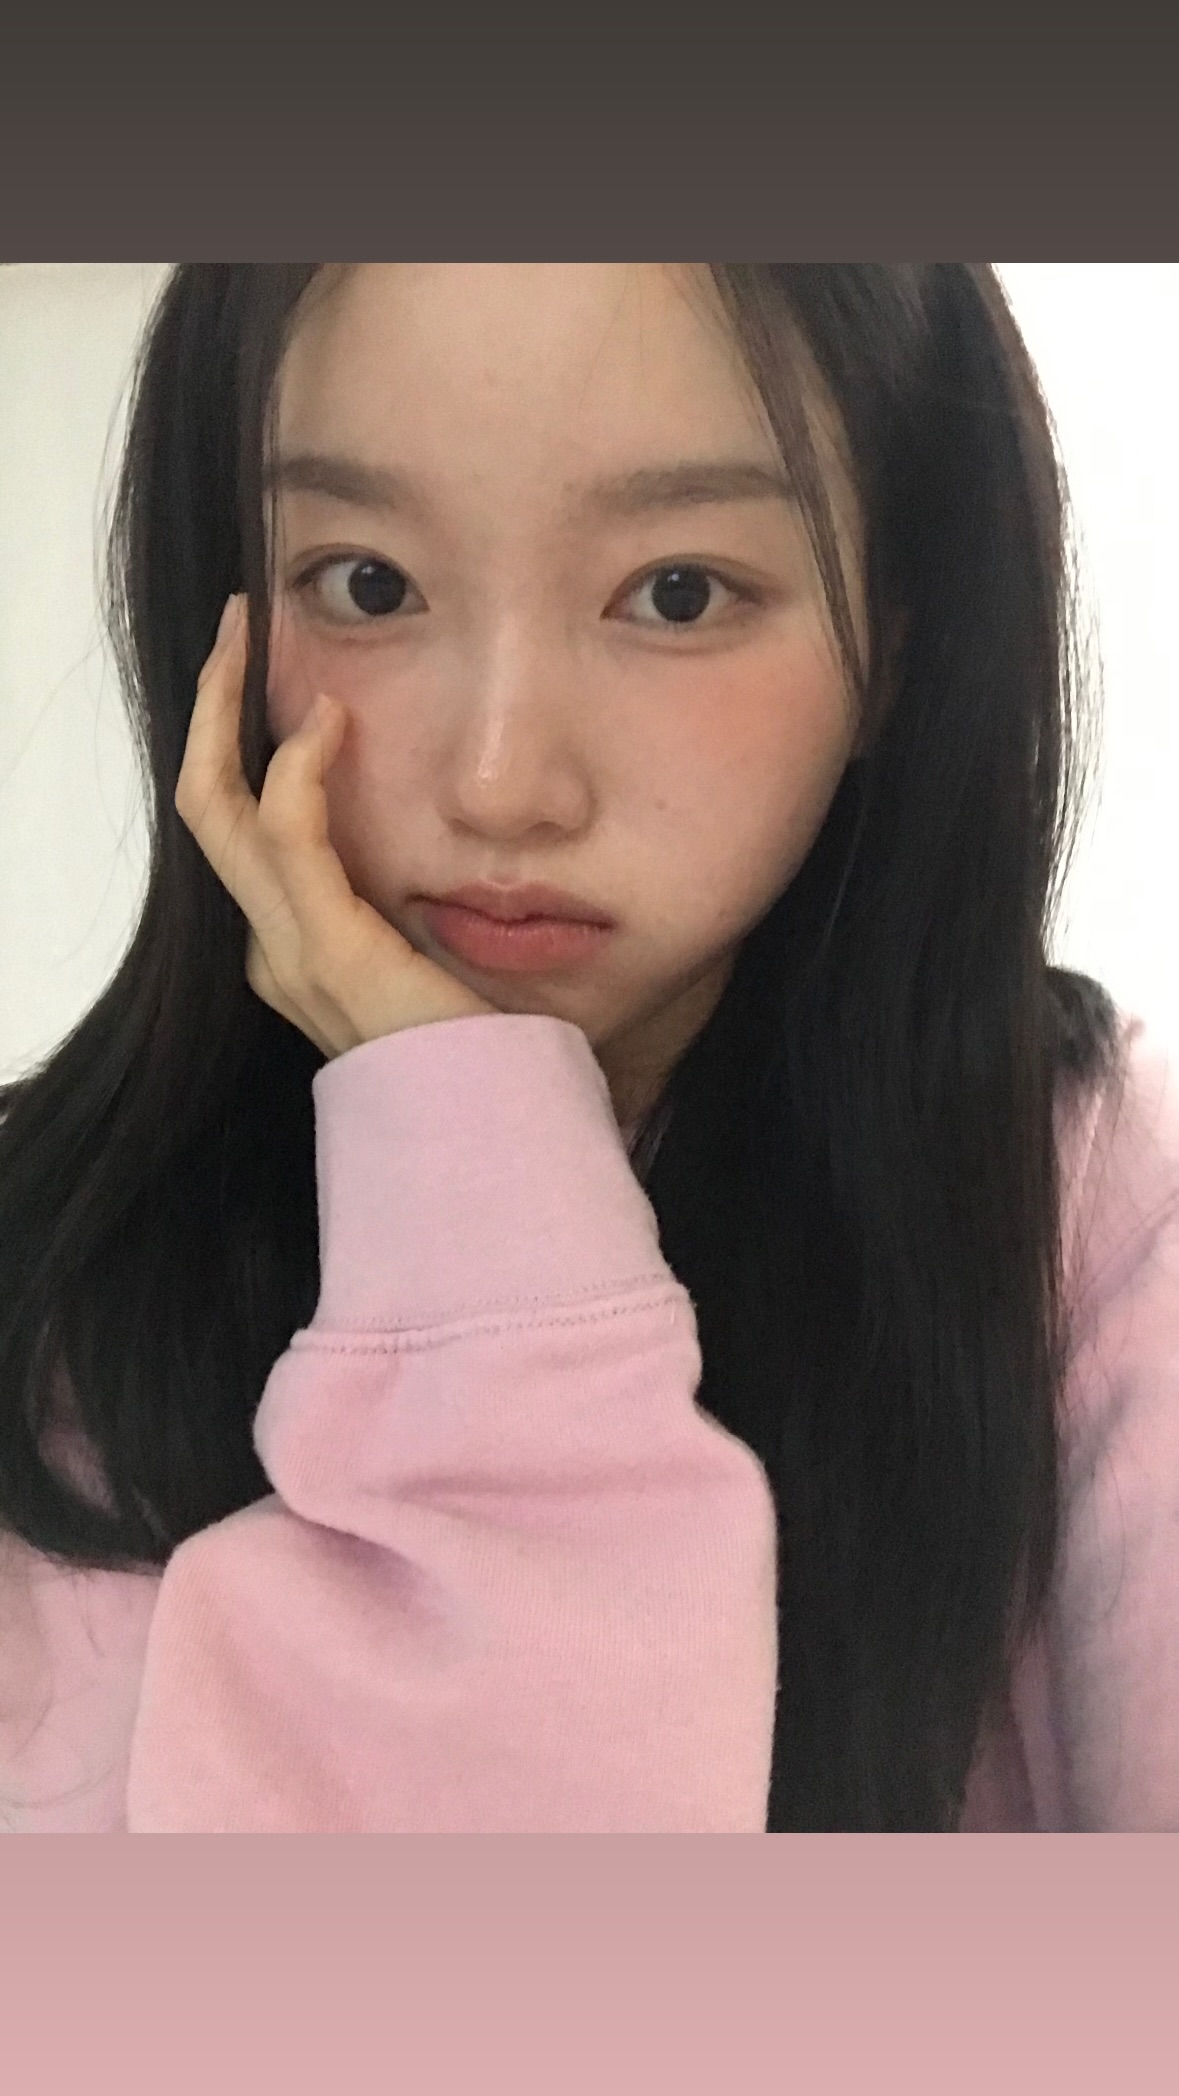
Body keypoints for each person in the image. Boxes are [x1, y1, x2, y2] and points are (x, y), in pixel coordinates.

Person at [0, 264, 1175, 1832]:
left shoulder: (1101, 1222)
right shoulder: (49, 1284)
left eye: (678, 594)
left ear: (896, 641)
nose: (501, 783)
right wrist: (468, 1172)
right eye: (366, 584)